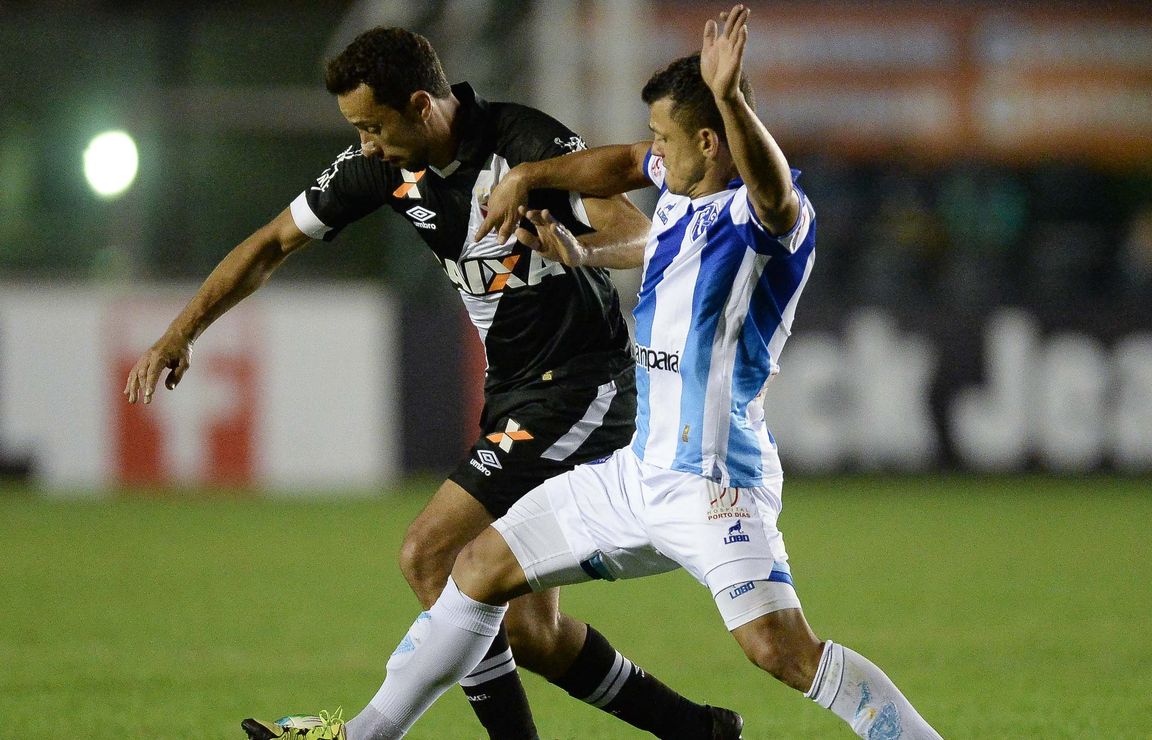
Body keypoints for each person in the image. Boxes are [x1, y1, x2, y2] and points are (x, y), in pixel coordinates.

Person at [242, 5, 943, 740]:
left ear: (711, 140)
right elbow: (614, 164)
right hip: (635, 475)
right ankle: (360, 737)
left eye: (666, 141)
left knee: (781, 651)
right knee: (476, 567)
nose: (653, 156)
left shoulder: (766, 221)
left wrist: (732, 98)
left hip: (714, 488)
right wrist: (538, 188)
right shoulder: (679, 194)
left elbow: (770, 187)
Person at [124, 24, 741, 740]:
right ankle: (699, 731)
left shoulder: (526, 144)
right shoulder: (385, 167)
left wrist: (575, 250)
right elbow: (272, 244)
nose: (365, 145)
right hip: (515, 392)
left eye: (373, 126)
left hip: (583, 387)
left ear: (421, 106)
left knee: (431, 554)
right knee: (529, 630)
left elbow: (639, 234)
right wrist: (182, 331)